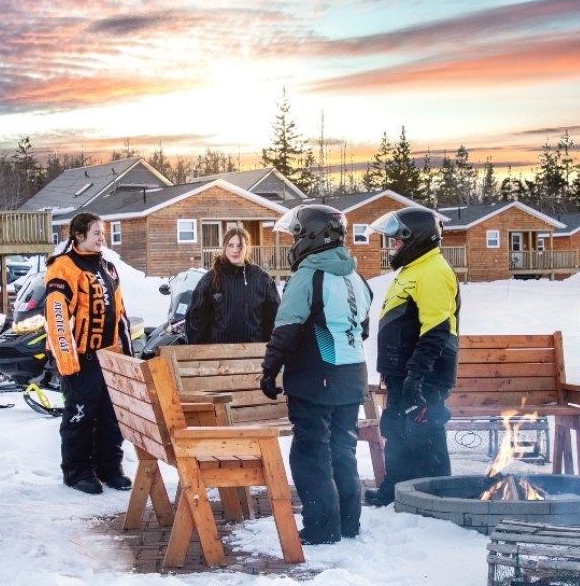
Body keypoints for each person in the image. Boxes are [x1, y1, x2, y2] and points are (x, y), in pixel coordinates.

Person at [259, 205, 372, 545]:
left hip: (315, 377)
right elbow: (362, 329)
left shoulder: (308, 276)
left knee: (311, 454)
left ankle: (323, 528)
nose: (293, 241)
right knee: (342, 450)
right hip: (352, 376)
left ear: (310, 236)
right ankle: (348, 522)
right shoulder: (357, 277)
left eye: (295, 234)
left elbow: (287, 330)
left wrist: (269, 371)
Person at [363, 207, 460, 507]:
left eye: (397, 240)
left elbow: (436, 330)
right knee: (398, 430)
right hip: (402, 374)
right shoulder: (414, 269)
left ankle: (435, 497)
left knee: (424, 434)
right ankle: (397, 488)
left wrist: (417, 376)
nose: (393, 246)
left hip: (424, 375)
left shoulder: (433, 271)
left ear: (415, 238)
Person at [45, 212, 133, 495]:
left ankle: (109, 467)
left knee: (111, 417)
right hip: (81, 357)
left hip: (110, 357)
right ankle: (77, 470)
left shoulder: (108, 268)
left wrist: (127, 356)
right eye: (96, 233)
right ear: (79, 235)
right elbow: (57, 317)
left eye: (103, 233)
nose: (101, 238)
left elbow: (120, 314)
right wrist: (68, 363)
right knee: (80, 416)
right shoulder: (63, 267)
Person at [185, 227, 280, 345]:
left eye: (239, 245)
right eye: (230, 245)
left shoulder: (261, 279)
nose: (235, 250)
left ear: (247, 247)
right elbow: (196, 319)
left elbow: (274, 318)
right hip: (219, 354)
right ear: (225, 247)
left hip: (254, 354)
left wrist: (270, 349)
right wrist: (199, 352)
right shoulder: (211, 278)